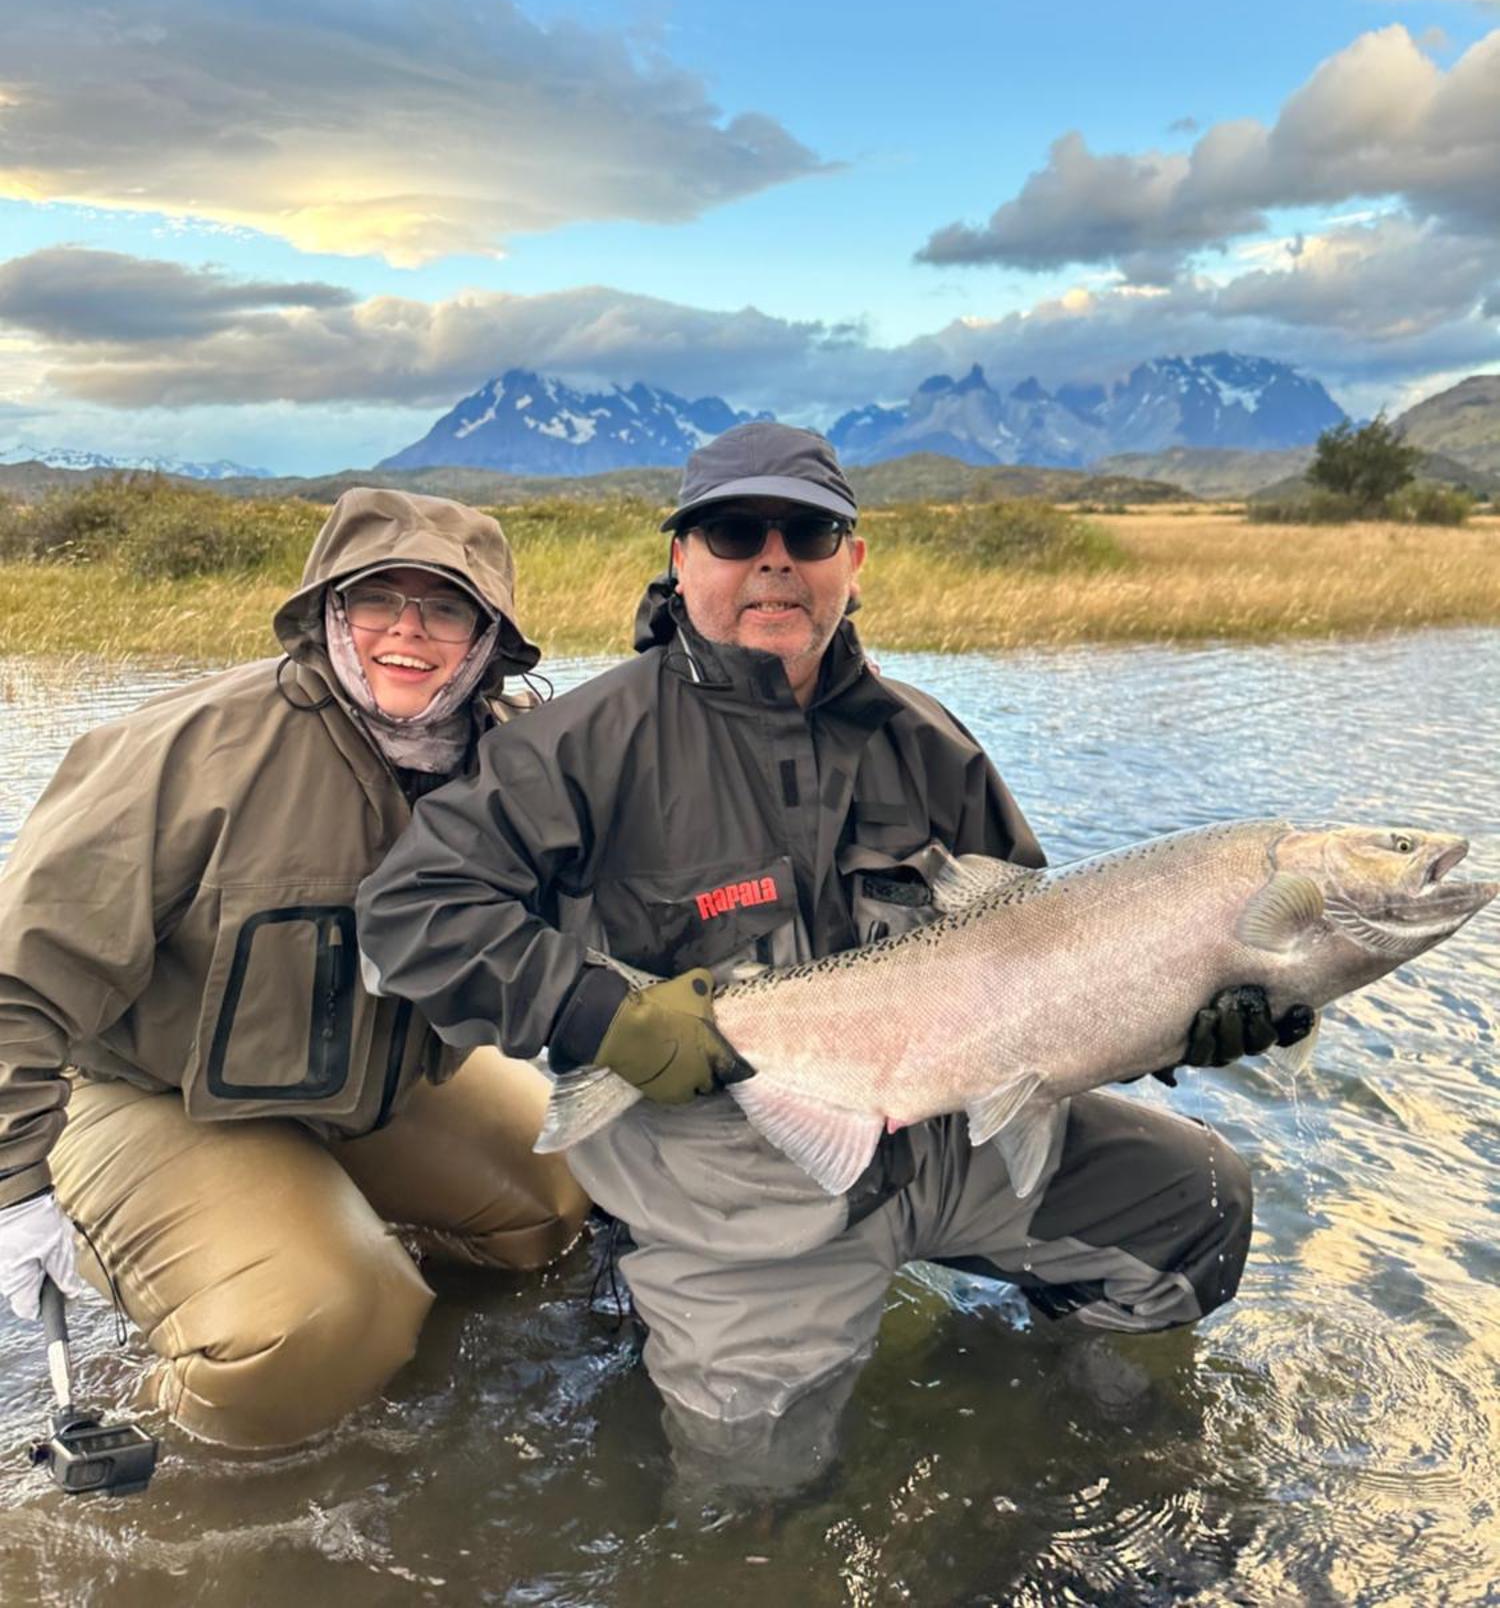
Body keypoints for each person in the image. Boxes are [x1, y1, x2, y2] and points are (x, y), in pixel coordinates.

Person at [356, 426, 1307, 1482]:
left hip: (951, 1140)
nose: (774, 557)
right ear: (682, 560)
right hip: (736, 1188)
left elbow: (1055, 975)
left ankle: (1045, 1414)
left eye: (807, 531)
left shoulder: (929, 742)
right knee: (754, 1506)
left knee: (1197, 1202)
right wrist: (598, 1016)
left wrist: (1184, 1015)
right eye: (733, 530)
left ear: (852, 562)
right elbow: (412, 910)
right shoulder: (577, 745)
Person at [0, 487, 589, 1449]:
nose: (408, 632)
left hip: (366, 1087)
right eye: (376, 601)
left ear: (489, 635)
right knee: (328, 1317)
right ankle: (185, 1418)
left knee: (560, 1190)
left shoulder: (515, 759)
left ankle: (332, 1258)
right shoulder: (188, 753)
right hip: (140, 1090)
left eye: (445, 607)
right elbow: (15, 979)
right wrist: (11, 1188)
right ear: (328, 611)